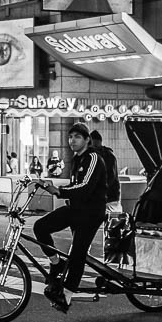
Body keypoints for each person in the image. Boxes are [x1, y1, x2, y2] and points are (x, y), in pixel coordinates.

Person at [35, 122, 109, 310]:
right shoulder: (77, 159)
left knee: (78, 252)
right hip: (76, 209)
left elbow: (85, 187)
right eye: (70, 137)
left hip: (92, 212)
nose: (72, 140)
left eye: (77, 137)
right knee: (40, 227)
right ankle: (56, 263)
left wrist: (59, 191)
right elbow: (75, 185)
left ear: (86, 140)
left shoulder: (93, 158)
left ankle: (66, 295)